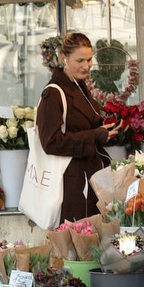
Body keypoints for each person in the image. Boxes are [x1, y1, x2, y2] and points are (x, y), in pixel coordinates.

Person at [35, 31, 112, 221]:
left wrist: (104, 130)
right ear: (64, 58)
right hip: (69, 185)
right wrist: (95, 135)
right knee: (76, 240)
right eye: (80, 60)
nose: (86, 66)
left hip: (87, 178)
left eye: (89, 59)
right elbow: (51, 142)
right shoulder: (53, 93)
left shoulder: (79, 86)